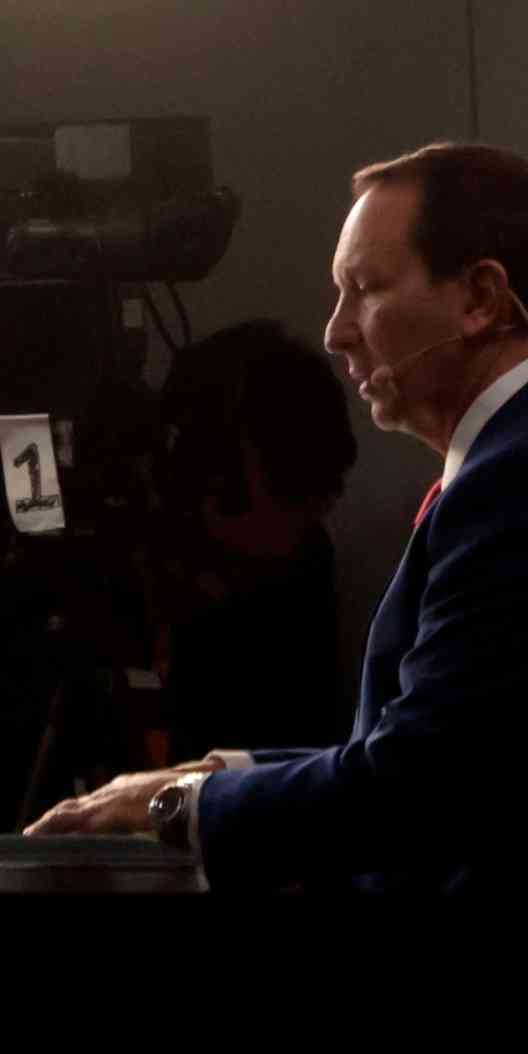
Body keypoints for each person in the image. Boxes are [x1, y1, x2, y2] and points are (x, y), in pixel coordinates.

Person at [30, 143, 528, 889]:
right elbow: (447, 757)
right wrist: (212, 775)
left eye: (364, 288)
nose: (336, 331)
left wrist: (182, 804)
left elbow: (411, 790)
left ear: (481, 300)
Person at [145, 318, 358, 757]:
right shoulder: (137, 568)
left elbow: (306, 758)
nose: (316, 511)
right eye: (292, 488)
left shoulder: (302, 565)